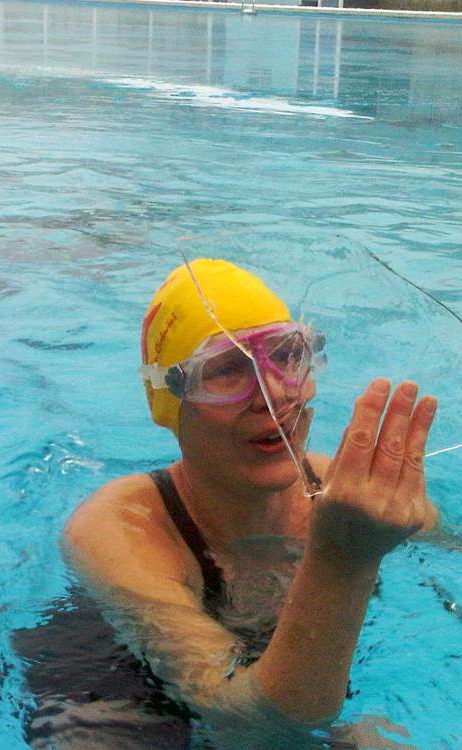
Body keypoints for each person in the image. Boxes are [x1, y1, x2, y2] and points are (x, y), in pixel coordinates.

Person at [60, 258, 439, 748]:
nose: (274, 394)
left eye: (288, 357)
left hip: (288, 685)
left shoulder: (344, 491)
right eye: (227, 370)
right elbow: (249, 722)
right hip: (122, 692)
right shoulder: (120, 528)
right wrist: (344, 558)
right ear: (172, 400)